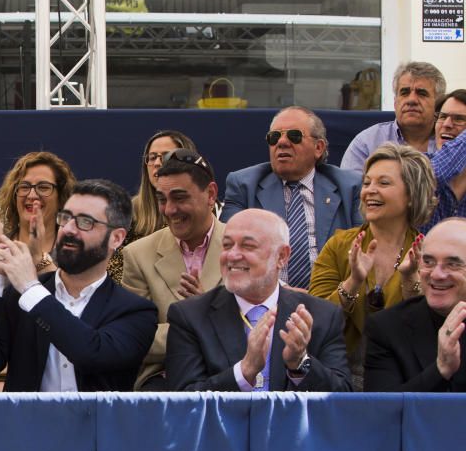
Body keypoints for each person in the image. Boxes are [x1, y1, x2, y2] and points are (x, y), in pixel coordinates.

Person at [0, 179, 158, 392]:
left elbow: (91, 354)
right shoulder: (21, 296)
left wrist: (29, 287)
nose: (69, 229)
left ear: (116, 238)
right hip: (28, 423)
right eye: (65, 218)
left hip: (95, 424)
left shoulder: (135, 312)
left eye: (85, 222)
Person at [166, 209, 351, 392]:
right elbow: (182, 402)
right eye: (227, 245)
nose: (232, 255)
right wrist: (244, 371)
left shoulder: (321, 315)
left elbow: (341, 399)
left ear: (282, 256)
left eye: (248, 246)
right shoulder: (190, 316)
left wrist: (300, 363)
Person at [309, 144, 435, 388]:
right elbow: (317, 320)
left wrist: (410, 281)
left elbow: (430, 325)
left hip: (406, 376)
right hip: (341, 376)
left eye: (384, 183)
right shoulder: (339, 245)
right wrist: (353, 281)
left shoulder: (429, 252)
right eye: (367, 183)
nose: (369, 191)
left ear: (411, 195)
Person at [222, 105, 361, 289]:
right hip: (265, 297)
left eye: (294, 135)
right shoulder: (244, 185)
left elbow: (363, 248)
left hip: (332, 298)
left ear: (318, 147)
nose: (282, 142)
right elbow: (229, 250)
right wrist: (280, 291)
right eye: (274, 137)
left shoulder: (349, 186)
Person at [121, 149, 225, 391]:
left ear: (211, 194)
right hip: (164, 379)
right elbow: (135, 339)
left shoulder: (242, 246)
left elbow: (254, 327)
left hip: (234, 374)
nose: (169, 210)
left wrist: (200, 317)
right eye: (162, 199)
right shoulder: (139, 255)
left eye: (179, 198)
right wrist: (207, 321)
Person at [0, 151, 76, 310]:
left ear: (61, 197)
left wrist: (39, 259)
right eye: (24, 187)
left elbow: (71, 306)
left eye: (43, 187)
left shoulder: (73, 245)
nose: (32, 195)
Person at [364, 218, 466, 391]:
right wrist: (440, 369)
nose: (436, 274)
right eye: (428, 262)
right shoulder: (386, 328)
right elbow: (383, 411)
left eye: (453, 264)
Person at [109, 130, 201, 283]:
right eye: (152, 158)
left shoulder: (205, 210)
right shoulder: (128, 211)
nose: (157, 163)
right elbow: (113, 268)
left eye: (165, 156)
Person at [341, 61, 444, 171]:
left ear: (438, 103)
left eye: (422, 93)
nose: (412, 100)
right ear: (395, 102)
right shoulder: (366, 143)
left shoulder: (452, 142)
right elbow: (351, 187)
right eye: (404, 93)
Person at [421, 89, 466, 232]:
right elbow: (435, 175)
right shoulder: (419, 164)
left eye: (458, 119)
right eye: (442, 116)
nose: (446, 124)